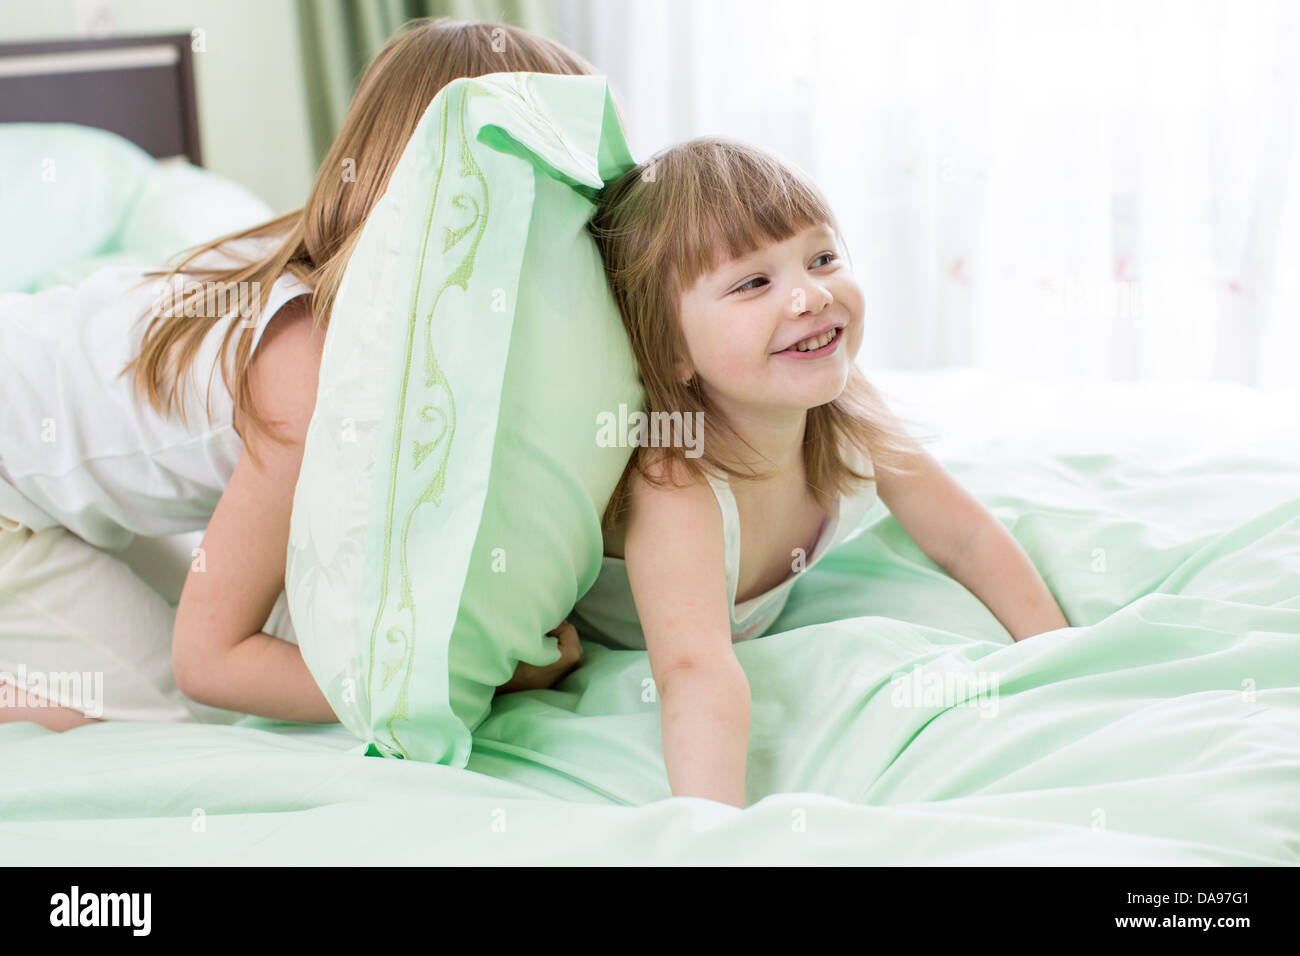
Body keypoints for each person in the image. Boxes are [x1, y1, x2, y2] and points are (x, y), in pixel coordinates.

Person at [0, 17, 601, 733]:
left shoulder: (347, 278)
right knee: (171, 710)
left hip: (53, 462)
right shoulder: (305, 372)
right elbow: (211, 662)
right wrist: (461, 683)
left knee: (246, 624)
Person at [570, 137, 1072, 807]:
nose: (810, 295)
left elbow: (965, 537)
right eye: (753, 282)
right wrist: (719, 833)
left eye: (823, 258)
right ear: (671, 349)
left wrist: (1057, 659)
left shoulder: (848, 402)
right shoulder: (679, 481)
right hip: (593, 642)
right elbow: (696, 673)